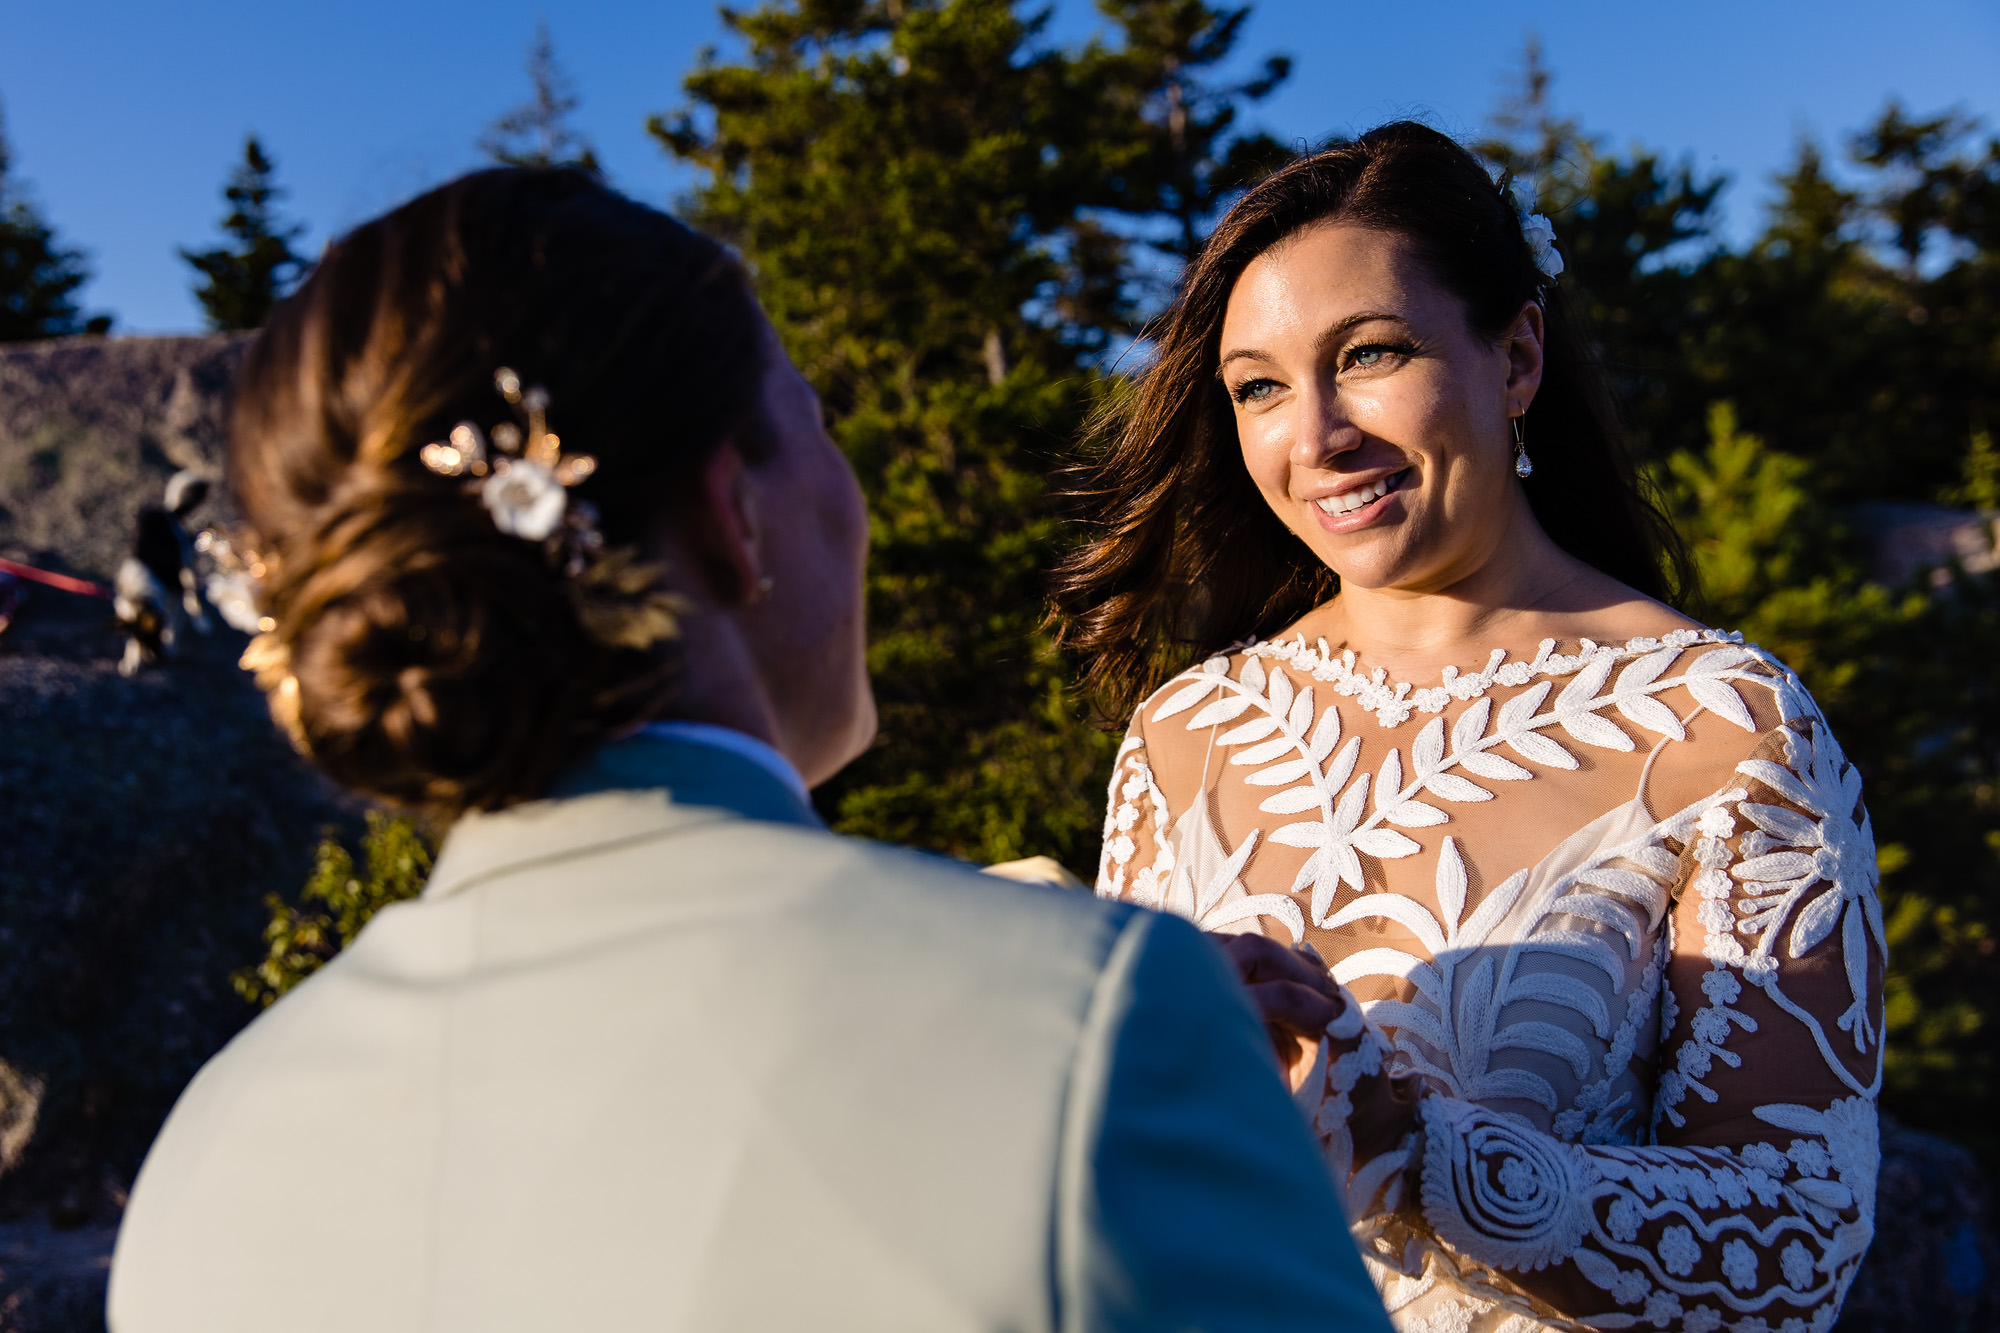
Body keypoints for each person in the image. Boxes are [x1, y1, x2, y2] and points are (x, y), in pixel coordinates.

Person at [106, 168, 1395, 1333]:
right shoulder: (1102, 1033)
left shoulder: (212, 1148)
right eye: (818, 423)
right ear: (734, 514)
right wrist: (1106, 1042)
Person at [1056, 122, 1882, 1333]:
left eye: (1371, 352)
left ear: (1515, 355)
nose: (1315, 434)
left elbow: (1794, 1244)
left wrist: (1406, 1150)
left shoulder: (1724, 726)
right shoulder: (1185, 732)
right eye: (1259, 388)